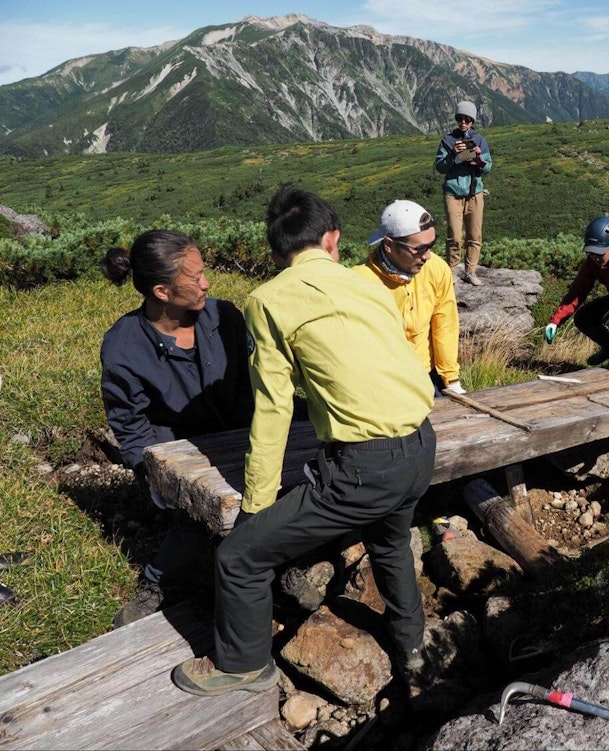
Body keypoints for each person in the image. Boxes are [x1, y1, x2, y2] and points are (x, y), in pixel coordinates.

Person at [171, 185, 436, 699]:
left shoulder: (268, 300)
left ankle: (244, 664)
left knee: (240, 558)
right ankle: (412, 644)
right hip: (421, 445)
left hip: (364, 467)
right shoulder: (367, 285)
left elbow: (272, 409)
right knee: (390, 543)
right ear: (333, 240)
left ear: (276, 255)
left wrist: (256, 505)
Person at [100, 230, 253, 627]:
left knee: (260, 496)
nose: (206, 283)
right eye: (195, 277)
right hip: (176, 453)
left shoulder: (226, 317)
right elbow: (130, 426)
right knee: (195, 514)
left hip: (238, 439)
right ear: (162, 291)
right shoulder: (124, 345)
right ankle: (156, 582)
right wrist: (157, 476)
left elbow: (249, 392)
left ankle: (276, 562)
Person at [354, 199, 463, 396]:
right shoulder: (360, 283)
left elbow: (445, 324)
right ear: (388, 245)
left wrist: (451, 380)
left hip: (428, 378)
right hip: (383, 386)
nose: (427, 256)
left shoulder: (436, 268)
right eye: (419, 249)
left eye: (431, 245)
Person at [544, 215, 609, 366]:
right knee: (584, 317)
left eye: (599, 253)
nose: (594, 258)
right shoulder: (593, 262)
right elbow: (578, 291)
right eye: (590, 253)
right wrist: (555, 321)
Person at [435, 100, 492, 286]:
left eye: (467, 119)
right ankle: (451, 270)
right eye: (460, 118)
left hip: (475, 192)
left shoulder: (480, 141)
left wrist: (478, 160)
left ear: (473, 120)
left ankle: (470, 270)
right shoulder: (447, 140)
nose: (463, 122)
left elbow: (488, 167)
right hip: (453, 193)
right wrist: (452, 154)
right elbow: (440, 167)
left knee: (475, 235)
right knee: (455, 235)